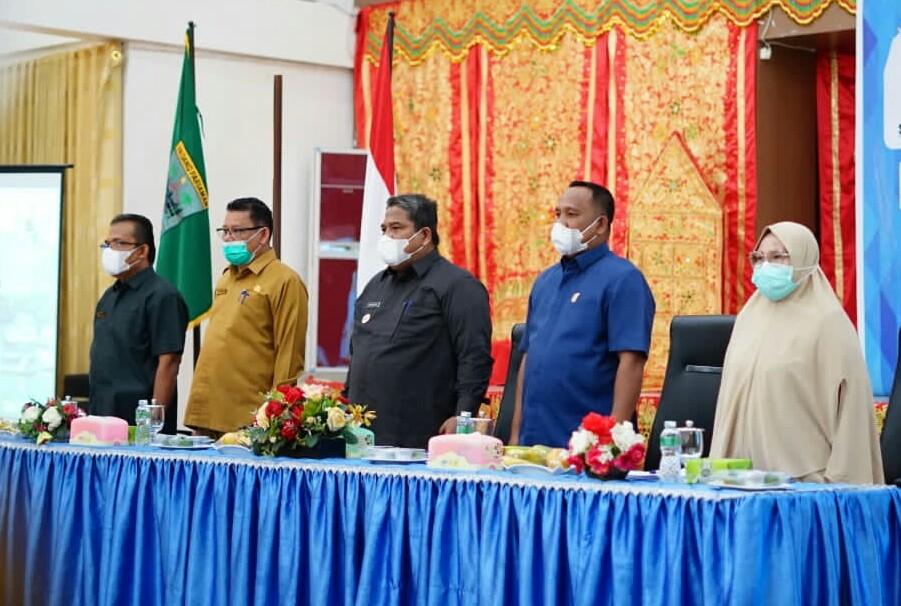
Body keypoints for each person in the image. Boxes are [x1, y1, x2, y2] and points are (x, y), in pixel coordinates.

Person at [709, 221, 884, 484]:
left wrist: (841, 483)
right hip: (738, 478)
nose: (765, 266)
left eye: (777, 257)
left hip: (802, 483)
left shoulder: (828, 321)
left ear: (804, 258)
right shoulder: (748, 317)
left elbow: (850, 409)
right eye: (759, 258)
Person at [511, 181, 655, 448]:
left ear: (600, 225)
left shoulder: (623, 279)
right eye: (558, 214)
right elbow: (528, 358)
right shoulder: (545, 281)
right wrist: (516, 436)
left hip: (587, 447)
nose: (561, 223)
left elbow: (631, 362)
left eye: (572, 214)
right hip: (534, 442)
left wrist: (611, 443)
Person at [344, 194, 493, 448]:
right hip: (361, 435)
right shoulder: (375, 285)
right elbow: (358, 351)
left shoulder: (458, 286)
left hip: (420, 437)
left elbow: (474, 356)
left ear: (424, 235)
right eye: (384, 229)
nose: (387, 236)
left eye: (396, 228)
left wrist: (463, 417)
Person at [184, 197, 308, 436]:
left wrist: (276, 417)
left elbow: (289, 355)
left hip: (248, 418)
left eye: (237, 231)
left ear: (263, 235)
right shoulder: (227, 277)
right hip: (207, 411)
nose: (229, 238)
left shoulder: (284, 280)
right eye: (225, 231)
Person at [89, 214, 188, 433]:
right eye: (107, 244)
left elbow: (169, 362)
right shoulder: (110, 295)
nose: (110, 250)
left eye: (118, 243)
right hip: (101, 414)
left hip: (138, 422)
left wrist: (152, 423)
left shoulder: (162, 295)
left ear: (142, 251)